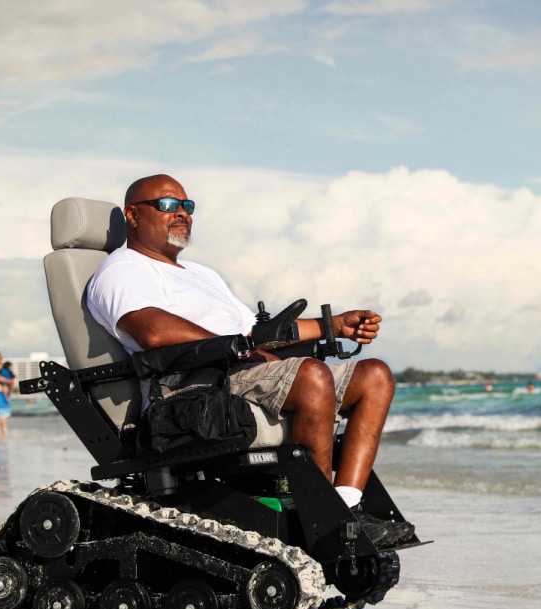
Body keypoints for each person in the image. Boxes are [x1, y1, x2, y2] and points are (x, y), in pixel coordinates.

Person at [86, 174, 411, 546]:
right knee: (313, 377)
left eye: (187, 206)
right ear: (133, 214)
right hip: (192, 385)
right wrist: (237, 347)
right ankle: (320, 518)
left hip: (242, 369)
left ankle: (345, 507)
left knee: (375, 376)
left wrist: (332, 325)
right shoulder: (123, 269)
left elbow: (255, 334)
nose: (182, 213)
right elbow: (152, 332)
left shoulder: (202, 275)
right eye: (167, 205)